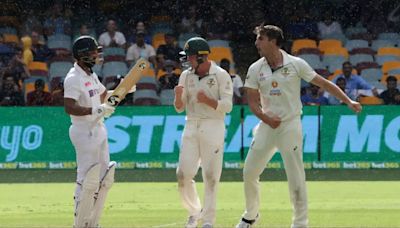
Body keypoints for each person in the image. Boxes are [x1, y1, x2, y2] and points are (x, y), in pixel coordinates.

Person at [235, 24, 362, 228]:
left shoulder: (296, 64)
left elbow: (324, 84)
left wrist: (348, 101)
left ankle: (300, 223)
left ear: (273, 41)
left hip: (290, 125)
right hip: (267, 126)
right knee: (249, 172)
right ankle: (250, 216)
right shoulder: (255, 68)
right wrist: (267, 119)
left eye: (261, 39)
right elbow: (252, 102)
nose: (256, 42)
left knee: (295, 176)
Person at [174, 37, 233, 228]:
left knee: (211, 176)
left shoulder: (221, 75)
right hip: (191, 125)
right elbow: (179, 108)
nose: (187, 61)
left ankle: (208, 221)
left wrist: (208, 101)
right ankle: (194, 212)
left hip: (213, 125)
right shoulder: (186, 75)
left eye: (190, 57)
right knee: (183, 174)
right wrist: (177, 97)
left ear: (201, 57)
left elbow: (228, 106)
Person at [64, 36, 119, 228]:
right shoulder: (73, 78)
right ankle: (79, 223)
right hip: (83, 129)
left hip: (98, 127)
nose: (97, 55)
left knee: (105, 177)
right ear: (83, 55)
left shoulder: (91, 75)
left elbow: (103, 95)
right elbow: (69, 106)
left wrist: (122, 90)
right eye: (93, 52)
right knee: (87, 177)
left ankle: (93, 222)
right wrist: (93, 110)